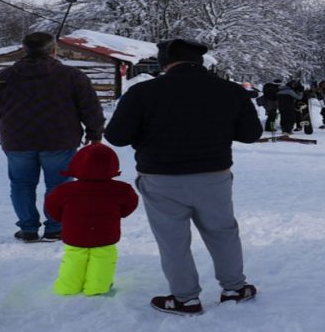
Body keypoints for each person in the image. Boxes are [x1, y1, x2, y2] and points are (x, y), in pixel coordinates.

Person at [104, 38, 262, 316]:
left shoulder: (143, 92)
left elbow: (116, 136)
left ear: (165, 63)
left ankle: (186, 299)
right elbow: (251, 135)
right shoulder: (230, 91)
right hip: (214, 175)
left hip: (161, 177)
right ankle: (235, 288)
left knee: (172, 240)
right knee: (222, 232)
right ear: (200, 61)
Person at [0, 32, 105, 243]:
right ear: (53, 50)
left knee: (21, 184)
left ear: (24, 49)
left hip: (17, 140)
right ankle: (55, 227)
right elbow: (89, 106)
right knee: (59, 185)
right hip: (60, 139)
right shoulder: (71, 75)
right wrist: (95, 133)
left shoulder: (5, 76)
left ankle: (28, 228)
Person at [44, 143, 138, 297]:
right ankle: (97, 287)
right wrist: (117, 215)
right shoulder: (122, 189)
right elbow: (130, 205)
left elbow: (52, 207)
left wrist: (64, 219)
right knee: (103, 259)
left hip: (74, 233)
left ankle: (68, 286)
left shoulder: (64, 190)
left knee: (74, 258)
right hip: (106, 234)